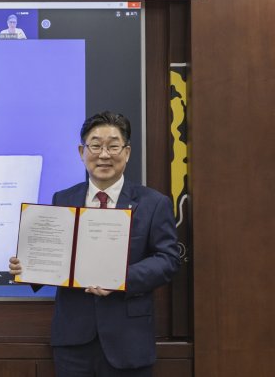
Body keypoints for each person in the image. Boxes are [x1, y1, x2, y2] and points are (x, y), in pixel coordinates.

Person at [9, 111, 179, 376]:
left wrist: (120, 278)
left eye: (113, 146)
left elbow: (167, 260)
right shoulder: (63, 199)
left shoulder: (154, 203)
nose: (104, 154)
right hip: (73, 340)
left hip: (128, 341)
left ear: (127, 152)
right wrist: (27, 268)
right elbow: (57, 255)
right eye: (95, 145)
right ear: (82, 152)